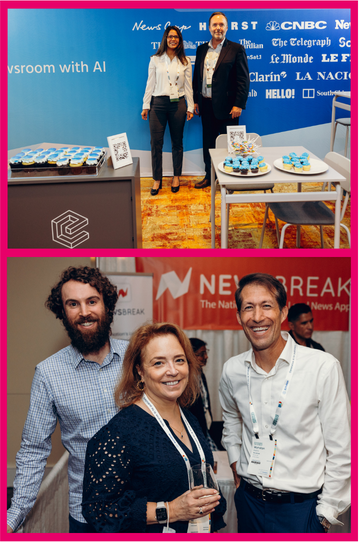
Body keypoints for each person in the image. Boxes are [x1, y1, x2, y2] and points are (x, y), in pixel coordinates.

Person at [219, 273, 350, 533]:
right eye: (248, 307)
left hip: (302, 511)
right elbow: (231, 419)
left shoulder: (322, 367)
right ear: (238, 317)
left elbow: (342, 449)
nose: (257, 317)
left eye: (266, 305)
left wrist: (324, 514)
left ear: (283, 312)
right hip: (250, 503)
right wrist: (235, 460)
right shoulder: (232, 370)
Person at [7, 266, 128, 534]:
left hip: (147, 509)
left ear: (107, 305)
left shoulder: (137, 357)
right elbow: (33, 450)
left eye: (92, 301)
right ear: (63, 312)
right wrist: (12, 518)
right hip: (88, 517)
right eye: (73, 304)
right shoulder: (48, 374)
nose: (84, 312)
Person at [82, 323, 226, 533]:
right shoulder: (119, 433)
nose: (173, 370)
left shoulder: (190, 419)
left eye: (179, 360)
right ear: (140, 370)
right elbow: (100, 511)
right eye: (159, 363)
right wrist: (172, 510)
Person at [193, 12, 250, 189]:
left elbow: (243, 79)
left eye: (221, 25)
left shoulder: (236, 49)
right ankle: (209, 176)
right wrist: (196, 100)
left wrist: (238, 104)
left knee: (231, 146)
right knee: (208, 143)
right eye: (214, 25)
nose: (218, 28)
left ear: (227, 27)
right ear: (209, 28)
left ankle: (231, 180)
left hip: (228, 108)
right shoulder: (201, 49)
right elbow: (197, 78)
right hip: (206, 105)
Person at [141, 26, 194, 196]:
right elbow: (150, 84)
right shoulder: (155, 59)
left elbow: (188, 87)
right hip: (158, 104)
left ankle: (176, 176)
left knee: (177, 143)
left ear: (180, 40)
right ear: (165, 38)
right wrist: (146, 105)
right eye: (170, 36)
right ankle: (157, 179)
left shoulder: (185, 61)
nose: (173, 39)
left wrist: (191, 106)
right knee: (156, 143)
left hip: (177, 104)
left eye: (176, 37)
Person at [188, 338, 217, 451]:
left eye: (206, 352)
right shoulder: (185, 380)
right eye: (201, 354)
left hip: (204, 428)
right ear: (190, 356)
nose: (206, 357)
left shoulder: (200, 374)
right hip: (194, 432)